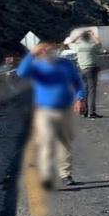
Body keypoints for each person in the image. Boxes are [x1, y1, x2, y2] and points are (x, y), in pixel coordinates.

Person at [17, 42, 85, 188]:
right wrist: (32, 54)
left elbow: (77, 82)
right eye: (45, 50)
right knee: (47, 142)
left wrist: (79, 98)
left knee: (65, 142)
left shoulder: (66, 64)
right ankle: (46, 176)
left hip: (65, 109)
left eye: (52, 49)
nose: (49, 52)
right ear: (40, 52)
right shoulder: (37, 67)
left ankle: (65, 174)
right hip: (45, 110)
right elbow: (21, 73)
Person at [72, 30, 102, 118]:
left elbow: (70, 42)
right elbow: (99, 43)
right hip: (91, 69)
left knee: (85, 91)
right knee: (92, 91)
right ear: (89, 38)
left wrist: (78, 36)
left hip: (82, 70)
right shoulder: (92, 46)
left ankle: (85, 111)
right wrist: (93, 35)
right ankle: (91, 112)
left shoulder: (78, 47)